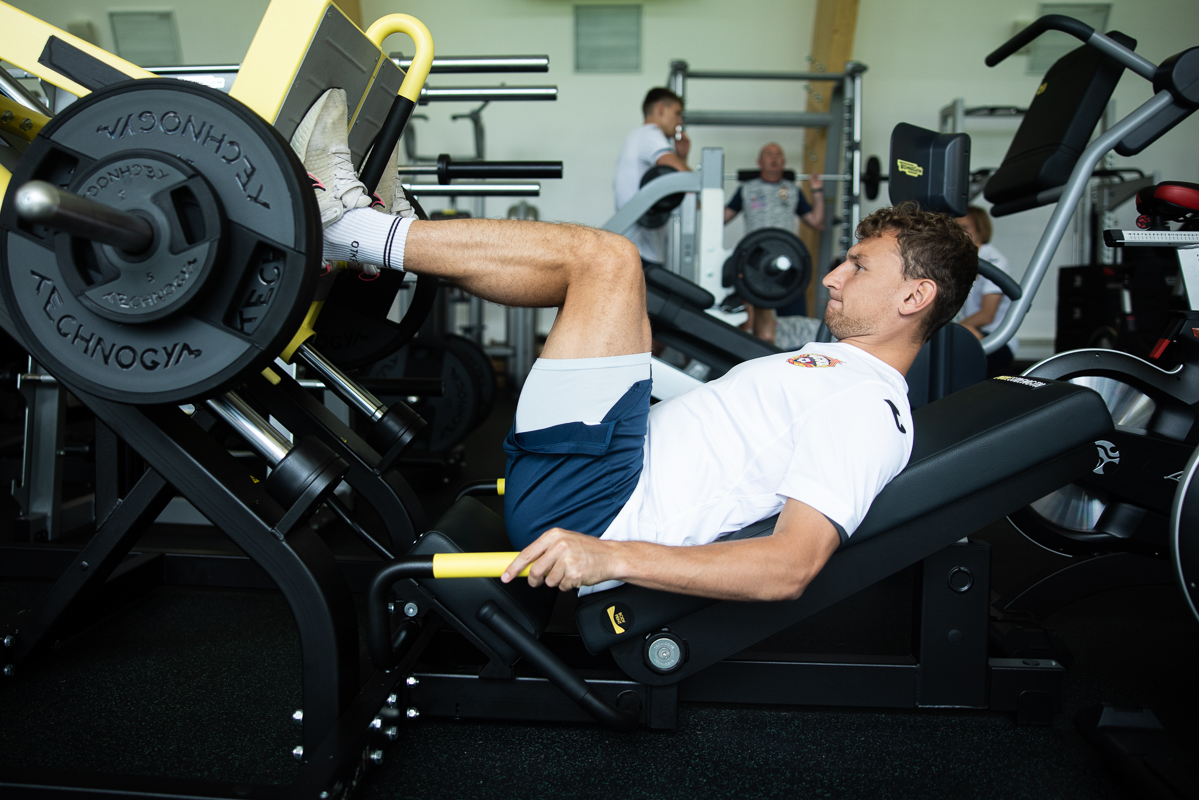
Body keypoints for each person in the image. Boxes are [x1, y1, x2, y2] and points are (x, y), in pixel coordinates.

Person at [298, 89, 979, 603]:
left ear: (913, 297)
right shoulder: (840, 370)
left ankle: (351, 228)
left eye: (857, 267)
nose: (831, 275)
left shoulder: (865, 408)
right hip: (611, 461)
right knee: (598, 276)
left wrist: (610, 557)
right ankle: (380, 235)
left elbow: (789, 567)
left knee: (607, 260)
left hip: (594, 505)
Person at [724, 142, 826, 343]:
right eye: (768, 154)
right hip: (755, 263)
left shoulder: (793, 190)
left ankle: (795, 355)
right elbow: (719, 218)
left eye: (778, 154)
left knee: (793, 321)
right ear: (759, 161)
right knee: (754, 324)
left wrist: (817, 190)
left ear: (784, 161)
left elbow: (816, 222)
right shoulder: (746, 189)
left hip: (788, 263)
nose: (773, 158)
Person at [612, 88, 691, 265]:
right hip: (639, 252)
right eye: (677, 113)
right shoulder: (650, 133)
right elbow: (685, 178)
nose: (679, 122)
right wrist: (682, 162)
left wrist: (682, 157)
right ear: (660, 109)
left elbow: (677, 179)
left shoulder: (637, 136)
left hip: (638, 249)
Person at [956, 206, 1017, 376]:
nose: (958, 233)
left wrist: (952, 330)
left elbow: (987, 315)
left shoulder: (995, 262)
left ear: (980, 229)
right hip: (972, 331)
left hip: (996, 339)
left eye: (964, 227)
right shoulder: (961, 261)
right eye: (955, 228)